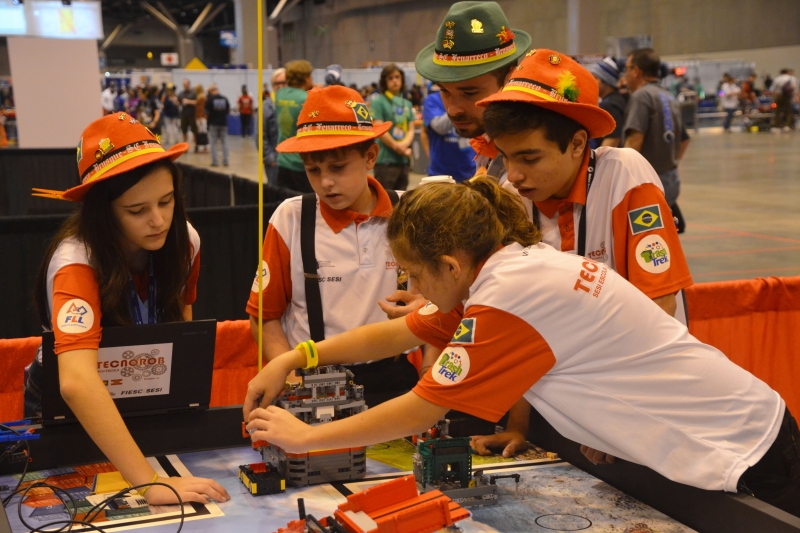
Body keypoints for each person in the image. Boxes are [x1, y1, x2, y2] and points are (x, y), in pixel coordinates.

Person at [244, 177, 800, 518]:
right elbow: (401, 331)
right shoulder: (506, 269)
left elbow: (426, 403)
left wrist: (309, 438)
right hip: (735, 432)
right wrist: (301, 355)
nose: (409, 291)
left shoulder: (509, 298)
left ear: (449, 266)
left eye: (412, 274)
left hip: (744, 450)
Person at [471, 48, 694, 459]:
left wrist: (615, 415)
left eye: (529, 157)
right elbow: (520, 323)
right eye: (505, 157)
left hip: (649, 399)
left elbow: (659, 307)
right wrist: (518, 425)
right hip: (569, 406)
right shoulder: (511, 198)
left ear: (577, 143)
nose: (514, 174)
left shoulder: (625, 174)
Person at [26, 114, 230, 506]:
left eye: (166, 202)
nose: (158, 221)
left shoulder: (185, 241)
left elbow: (181, 326)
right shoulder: (76, 262)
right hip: (68, 402)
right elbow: (76, 383)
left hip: (141, 385)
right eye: (137, 211)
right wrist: (149, 483)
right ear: (103, 212)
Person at [245, 85, 419, 402]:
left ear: (370, 156)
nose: (325, 182)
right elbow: (263, 315)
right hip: (314, 381)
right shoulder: (291, 219)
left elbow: (442, 306)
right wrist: (290, 373)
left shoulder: (410, 212)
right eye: (313, 170)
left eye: (337, 168)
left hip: (395, 380)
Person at [414, 1, 532, 185]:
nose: (452, 110)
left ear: (510, 79)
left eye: (469, 93)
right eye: (444, 91)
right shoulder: (488, 140)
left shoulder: (534, 164)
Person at [623, 48, 690, 233]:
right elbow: (685, 140)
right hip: (670, 180)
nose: (625, 74)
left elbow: (634, 142)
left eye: (627, 69)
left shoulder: (641, 97)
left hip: (646, 185)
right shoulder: (668, 96)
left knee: (645, 238)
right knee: (659, 236)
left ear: (636, 71)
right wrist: (670, 162)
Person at [370, 64, 415, 190]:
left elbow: (411, 129)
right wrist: (398, 147)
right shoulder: (378, 102)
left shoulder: (406, 103)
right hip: (386, 161)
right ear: (384, 81)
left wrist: (404, 145)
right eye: (390, 78)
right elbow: (379, 128)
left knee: (401, 201)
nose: (395, 80)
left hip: (403, 160)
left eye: (397, 77)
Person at [422, 85, 476, 182]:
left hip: (469, 169)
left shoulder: (472, 97)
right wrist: (458, 107)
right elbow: (439, 127)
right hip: (440, 172)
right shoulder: (432, 100)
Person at [276, 59, 315, 193]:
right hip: (300, 163)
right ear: (306, 78)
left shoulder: (280, 94)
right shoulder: (306, 98)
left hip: (283, 160)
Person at [588, 57, 626, 147]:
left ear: (606, 81)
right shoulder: (614, 100)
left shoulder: (611, 105)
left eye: (595, 78)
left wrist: (599, 160)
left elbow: (613, 140)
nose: (592, 83)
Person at [205, 84, 230, 167]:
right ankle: (225, 161)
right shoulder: (225, 98)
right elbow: (228, 110)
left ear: (212, 91)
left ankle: (215, 162)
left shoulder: (210, 99)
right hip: (223, 123)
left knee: (213, 142)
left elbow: (206, 111)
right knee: (225, 142)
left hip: (213, 123)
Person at [261, 87, 279, 183]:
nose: (281, 86)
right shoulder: (266, 106)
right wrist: (269, 158)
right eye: (277, 83)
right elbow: (260, 135)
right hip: (274, 161)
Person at [771, 68, 797, 132]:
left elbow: (772, 89)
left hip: (779, 96)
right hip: (788, 97)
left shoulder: (777, 78)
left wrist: (773, 98)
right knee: (788, 111)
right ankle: (787, 126)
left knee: (777, 111)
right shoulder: (791, 78)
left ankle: (777, 126)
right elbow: (794, 88)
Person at [178, 79, 198, 149]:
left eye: (186, 85)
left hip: (192, 115)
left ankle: (196, 145)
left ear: (189, 84)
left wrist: (189, 101)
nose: (185, 86)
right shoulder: (181, 94)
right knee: (184, 131)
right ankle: (185, 146)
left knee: (194, 131)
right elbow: (178, 102)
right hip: (184, 115)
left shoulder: (194, 93)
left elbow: (197, 102)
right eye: (184, 85)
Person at [195, 84, 209, 153]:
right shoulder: (201, 96)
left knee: (202, 132)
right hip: (200, 117)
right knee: (202, 131)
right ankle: (204, 147)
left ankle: (204, 147)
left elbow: (201, 108)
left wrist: (200, 117)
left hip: (201, 117)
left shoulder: (202, 97)